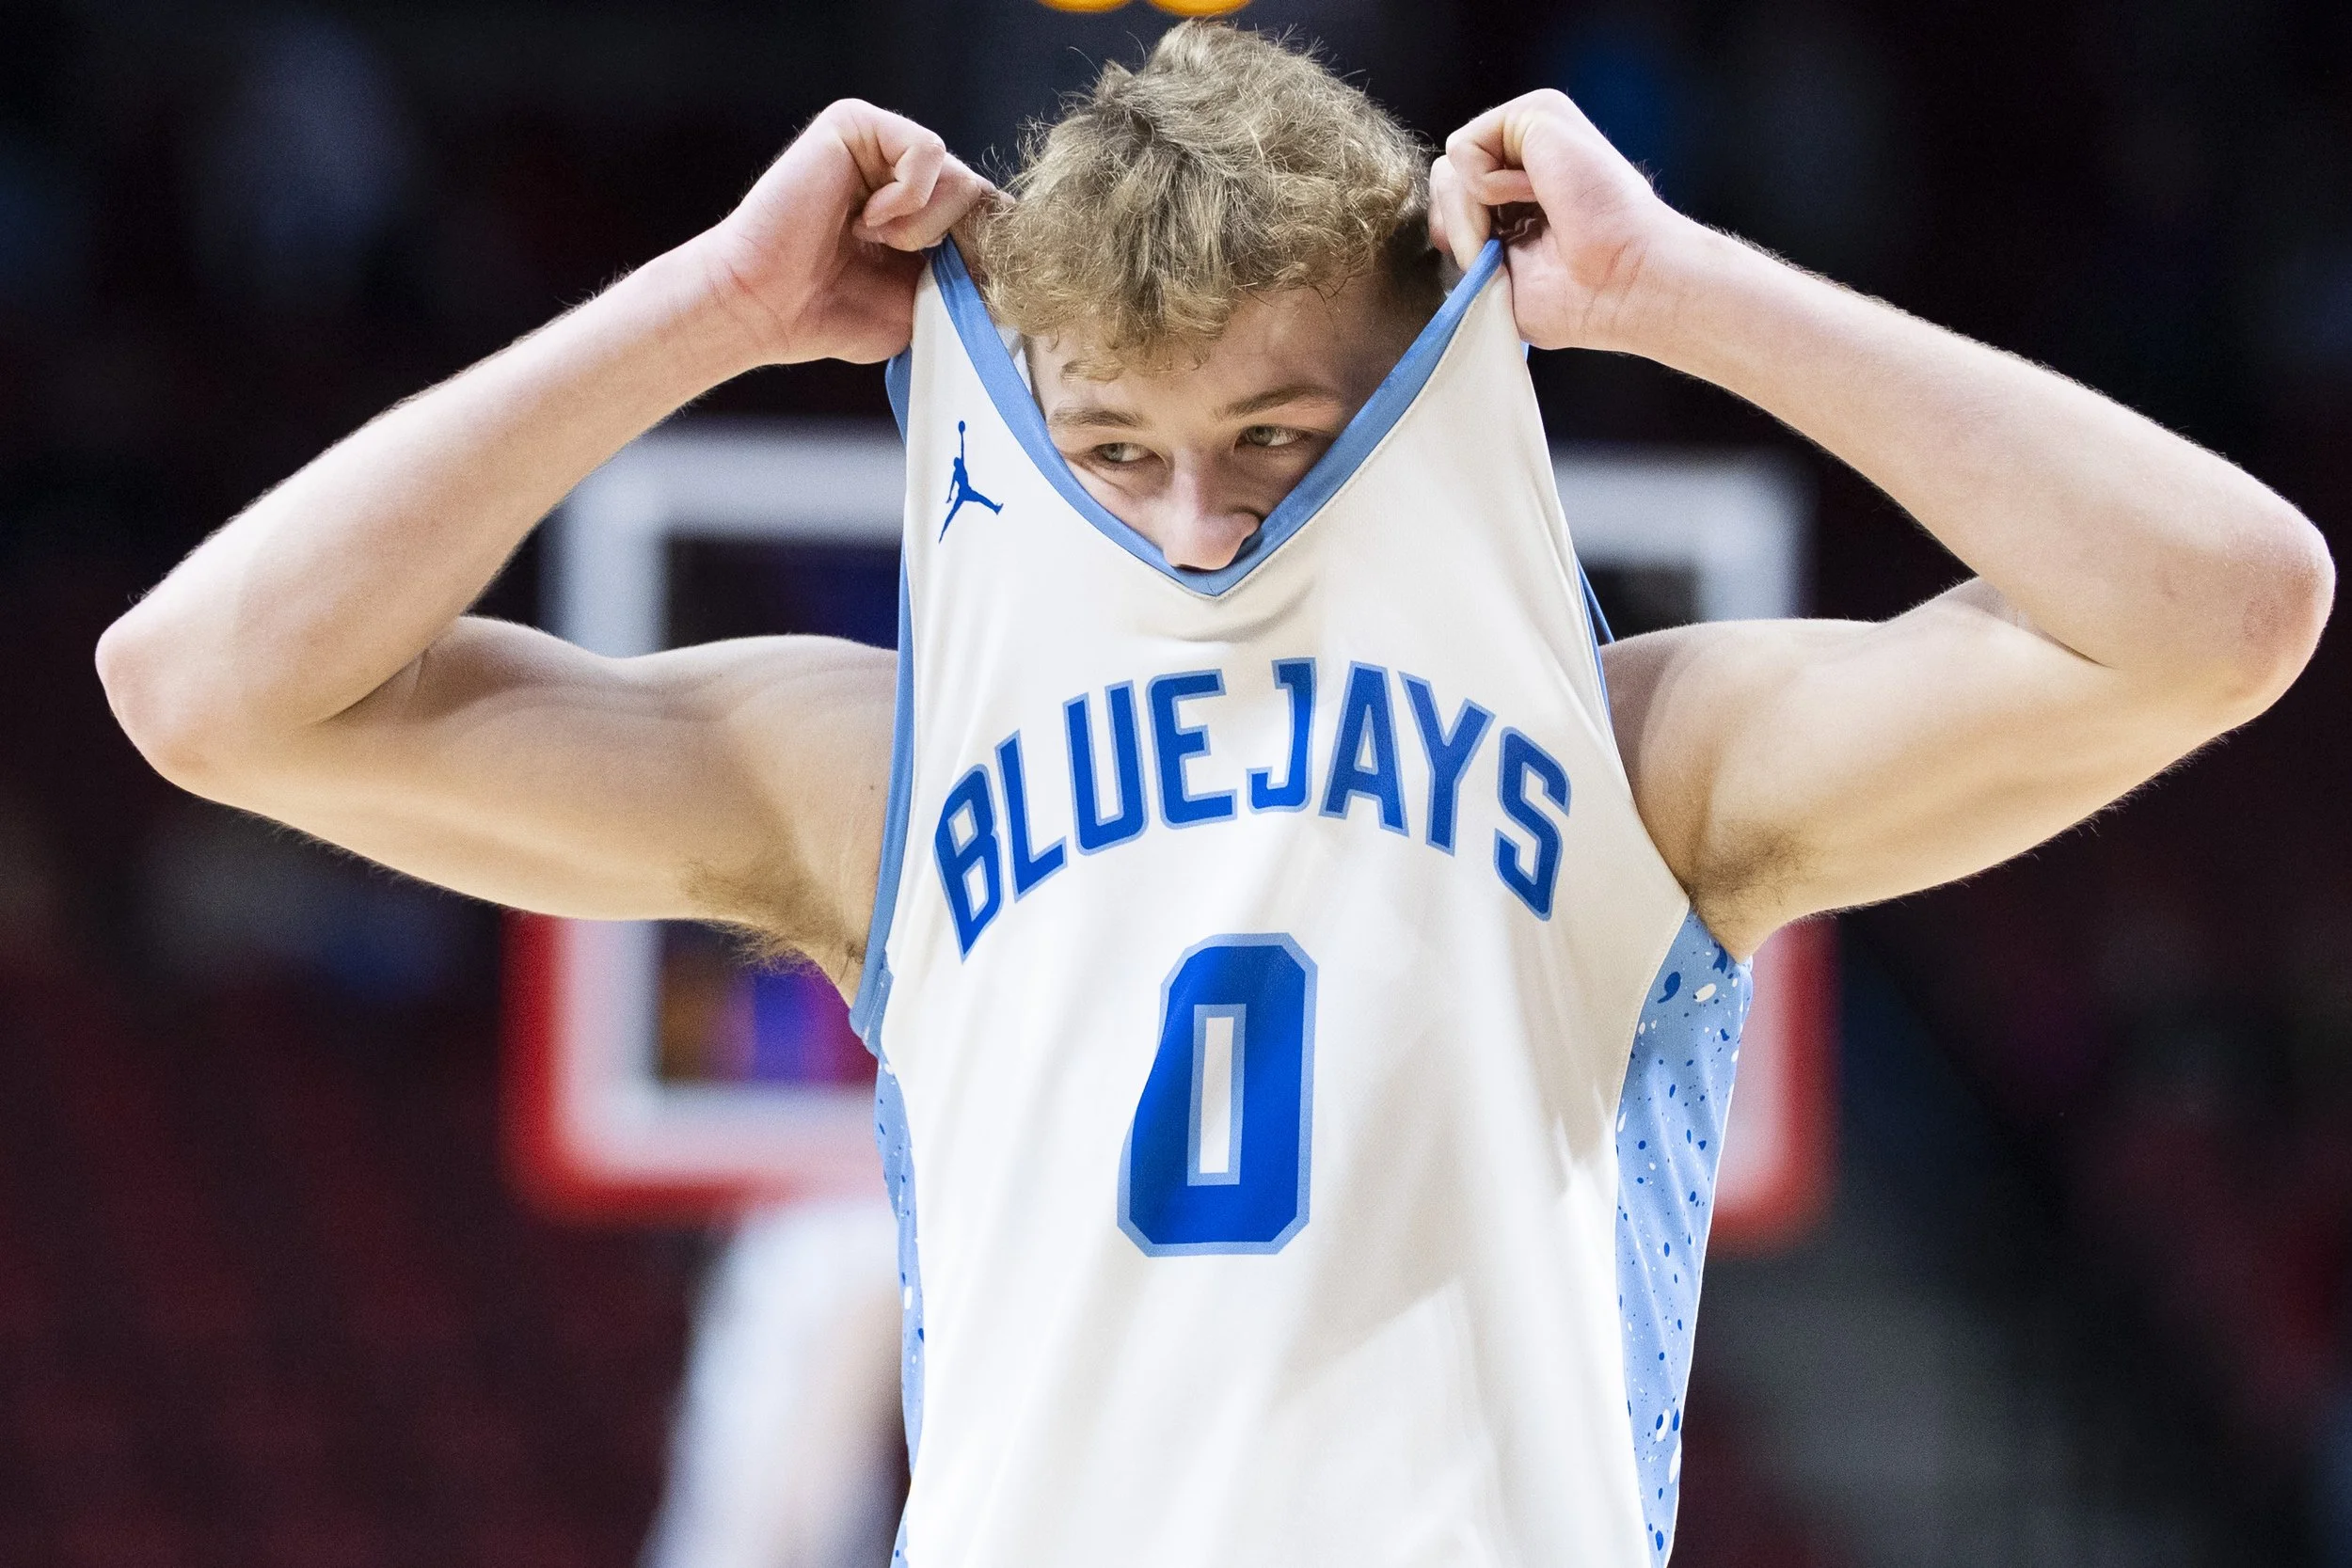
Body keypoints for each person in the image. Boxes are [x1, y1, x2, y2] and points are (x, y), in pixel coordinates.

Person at [97, 23, 2330, 1568]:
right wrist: (713, 302)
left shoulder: (1637, 749)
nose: (1193, 523)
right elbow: (204, 688)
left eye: (1275, 436)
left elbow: (2225, 605)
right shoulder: (875, 766)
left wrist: (1682, 289)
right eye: (1114, 446)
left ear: (1420, 391)